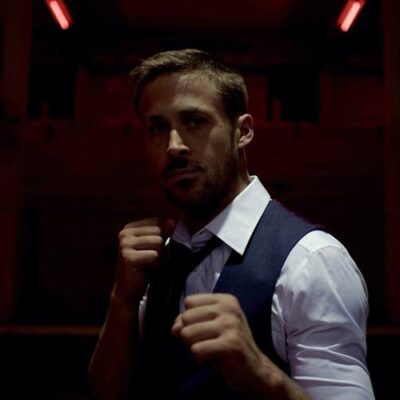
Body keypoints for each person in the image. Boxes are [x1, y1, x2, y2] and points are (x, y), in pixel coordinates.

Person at [89, 49, 374, 399]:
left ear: (243, 132)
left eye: (194, 121)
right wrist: (121, 300)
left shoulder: (312, 261)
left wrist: (259, 373)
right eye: (158, 128)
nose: (174, 146)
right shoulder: (158, 260)